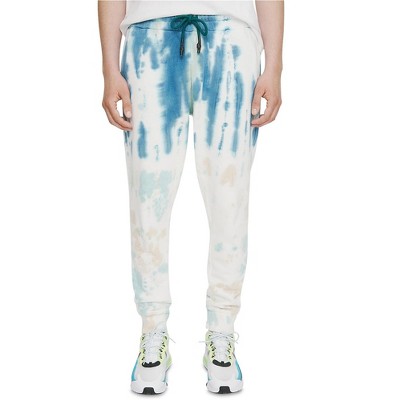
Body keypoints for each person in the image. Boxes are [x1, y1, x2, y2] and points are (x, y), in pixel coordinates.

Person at [98, 0, 283, 394]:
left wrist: (274, 66)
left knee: (229, 197)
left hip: (232, 38)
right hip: (148, 36)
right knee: (148, 198)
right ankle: (153, 332)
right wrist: (109, 68)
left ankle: (222, 331)